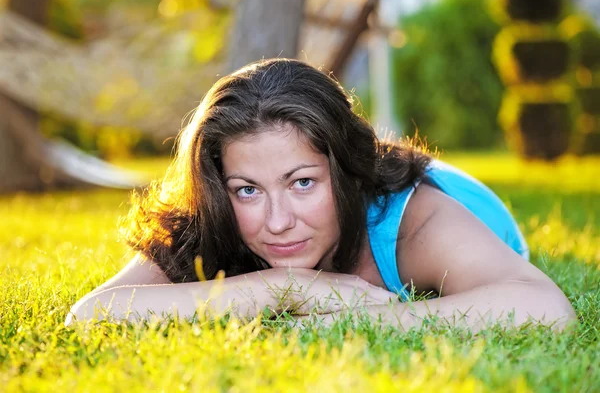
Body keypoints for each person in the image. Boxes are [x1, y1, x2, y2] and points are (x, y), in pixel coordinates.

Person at [66, 58, 575, 331]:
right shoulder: (216, 212)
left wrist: (379, 318)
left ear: (347, 172)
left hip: (454, 192)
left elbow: (545, 307)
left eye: (302, 182)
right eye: (247, 190)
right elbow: (90, 314)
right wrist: (282, 288)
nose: (278, 220)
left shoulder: (413, 221)